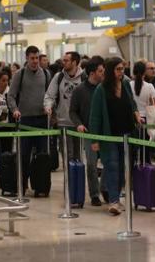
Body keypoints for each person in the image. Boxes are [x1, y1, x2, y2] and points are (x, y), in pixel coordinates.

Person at [89, 57, 140, 215]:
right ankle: (113, 201)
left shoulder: (125, 84)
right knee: (112, 167)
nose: (121, 72)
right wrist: (95, 139)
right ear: (111, 70)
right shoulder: (101, 90)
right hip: (109, 137)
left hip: (127, 134)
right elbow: (95, 116)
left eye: (122, 69)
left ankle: (116, 197)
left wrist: (136, 113)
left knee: (123, 169)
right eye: (118, 69)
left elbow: (131, 102)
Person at [7, 46, 51, 194]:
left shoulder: (45, 73)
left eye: (37, 58)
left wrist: (49, 107)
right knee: (24, 155)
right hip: (25, 120)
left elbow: (50, 96)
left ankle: (40, 186)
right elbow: (11, 95)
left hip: (42, 120)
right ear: (26, 58)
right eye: (32, 58)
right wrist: (15, 110)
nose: (35, 61)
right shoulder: (19, 74)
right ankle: (22, 184)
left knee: (42, 156)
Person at [69, 56, 106, 207]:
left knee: (109, 164)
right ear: (92, 73)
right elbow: (72, 111)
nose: (103, 73)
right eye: (101, 71)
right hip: (89, 133)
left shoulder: (104, 88)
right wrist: (78, 124)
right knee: (91, 164)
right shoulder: (79, 90)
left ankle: (105, 189)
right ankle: (94, 194)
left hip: (105, 133)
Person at [44, 51, 84, 160]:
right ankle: (69, 177)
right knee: (68, 156)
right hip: (63, 122)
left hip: (80, 124)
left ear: (74, 62)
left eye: (66, 60)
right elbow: (50, 95)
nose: (63, 62)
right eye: (63, 60)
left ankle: (77, 177)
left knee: (79, 156)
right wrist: (48, 106)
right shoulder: (59, 77)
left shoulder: (84, 78)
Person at [131, 61, 155, 141]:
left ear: (133, 72)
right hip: (147, 119)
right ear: (145, 72)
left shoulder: (129, 85)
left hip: (132, 118)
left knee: (133, 144)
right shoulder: (150, 86)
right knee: (145, 146)